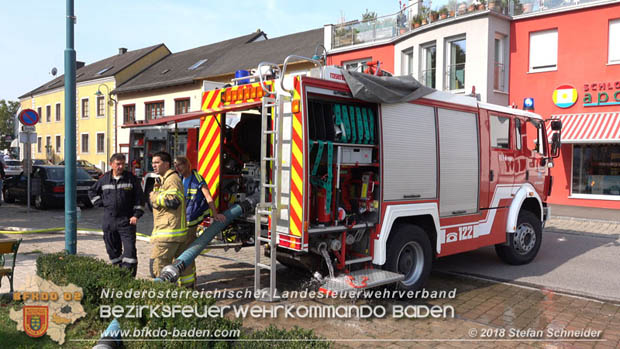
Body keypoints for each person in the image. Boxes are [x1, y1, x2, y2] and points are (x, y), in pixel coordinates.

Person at [89, 153, 145, 277]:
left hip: (126, 221)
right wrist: (99, 203)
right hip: (109, 221)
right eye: (118, 164)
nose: (120, 167)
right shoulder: (104, 179)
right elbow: (92, 191)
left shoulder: (131, 179)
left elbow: (140, 199)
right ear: (111, 164)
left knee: (130, 251)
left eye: (123, 164)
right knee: (112, 250)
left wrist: (136, 215)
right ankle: (118, 275)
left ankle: (129, 278)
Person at [174, 156, 226, 288]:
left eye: (179, 165)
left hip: (191, 221)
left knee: (186, 252)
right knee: (180, 251)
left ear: (187, 165)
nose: (177, 168)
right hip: (181, 221)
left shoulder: (197, 179)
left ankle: (189, 283)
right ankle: (185, 280)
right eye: (175, 165)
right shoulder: (179, 178)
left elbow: (208, 197)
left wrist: (215, 214)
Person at [148, 151, 189, 281]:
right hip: (170, 232)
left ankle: (162, 297)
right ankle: (182, 292)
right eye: (153, 162)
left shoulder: (172, 179)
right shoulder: (162, 179)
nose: (153, 165)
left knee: (158, 268)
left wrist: (154, 197)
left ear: (166, 164)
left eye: (157, 162)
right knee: (177, 268)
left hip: (168, 234)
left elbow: (173, 201)